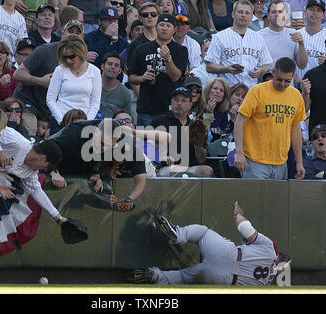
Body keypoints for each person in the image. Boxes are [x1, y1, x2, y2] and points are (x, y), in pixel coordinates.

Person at [128, 201, 289, 286]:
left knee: (203, 232)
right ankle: (156, 275)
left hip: (227, 253)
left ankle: (178, 234)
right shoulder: (264, 284)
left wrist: (238, 214)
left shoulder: (271, 250)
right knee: (182, 278)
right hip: (222, 278)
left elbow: (244, 228)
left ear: (279, 255)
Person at [234, 57, 306, 180]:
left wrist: (299, 162)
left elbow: (296, 131)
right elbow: (240, 122)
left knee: (276, 199)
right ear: (273, 72)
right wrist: (239, 153)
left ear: (293, 76)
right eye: (279, 79)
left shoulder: (296, 96)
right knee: (256, 199)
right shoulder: (257, 91)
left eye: (287, 81)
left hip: (280, 161)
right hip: (255, 160)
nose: (283, 84)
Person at [128, 13, 188, 126]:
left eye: (168, 25)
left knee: (174, 143)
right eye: (161, 25)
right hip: (147, 109)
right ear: (156, 27)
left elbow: (175, 77)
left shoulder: (181, 50)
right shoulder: (141, 49)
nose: (164, 28)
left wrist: (168, 59)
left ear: (174, 30)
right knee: (145, 143)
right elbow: (131, 78)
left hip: (171, 110)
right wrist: (142, 78)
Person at [204, 0, 273, 89]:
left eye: (247, 13)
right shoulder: (219, 37)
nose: (243, 15)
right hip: (228, 91)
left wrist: (260, 71)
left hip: (251, 91)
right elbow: (209, 67)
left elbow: (266, 64)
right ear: (233, 14)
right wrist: (227, 69)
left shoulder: (258, 38)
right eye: (240, 12)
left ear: (251, 17)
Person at [150, 87, 214, 177]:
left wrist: (197, 144)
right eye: (176, 100)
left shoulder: (195, 125)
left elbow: (201, 159)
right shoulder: (158, 122)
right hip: (165, 169)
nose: (179, 103)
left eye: (184, 101)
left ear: (190, 105)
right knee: (176, 170)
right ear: (171, 102)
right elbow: (146, 148)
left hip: (190, 168)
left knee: (207, 170)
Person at [46, 34, 102, 131]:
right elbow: (50, 99)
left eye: (71, 56)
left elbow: (95, 102)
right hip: (61, 122)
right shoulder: (60, 70)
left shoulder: (94, 71)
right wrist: (62, 121)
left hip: (85, 123)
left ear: (81, 52)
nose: (68, 61)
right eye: (65, 57)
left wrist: (86, 123)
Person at [113, 109, 171, 177]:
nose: (123, 123)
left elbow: (167, 137)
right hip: (134, 171)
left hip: (155, 171)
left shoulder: (145, 141)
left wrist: (133, 132)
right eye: (118, 121)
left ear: (133, 125)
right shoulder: (113, 144)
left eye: (127, 120)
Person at [258, 0, 308, 71]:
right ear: (268, 16)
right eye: (273, 12)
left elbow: (302, 65)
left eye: (280, 12)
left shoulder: (294, 35)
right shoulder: (259, 35)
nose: (277, 14)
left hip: (288, 81)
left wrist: (301, 44)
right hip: (266, 80)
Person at [293, 0, 326, 83]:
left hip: (321, 84)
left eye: (319, 10)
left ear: (323, 15)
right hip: (298, 84)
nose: (315, 13)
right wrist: (298, 81)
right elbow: (289, 62)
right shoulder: (295, 34)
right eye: (311, 9)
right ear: (305, 12)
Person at [100, 51, 132, 118]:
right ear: (102, 66)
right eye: (110, 64)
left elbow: (126, 119)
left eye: (116, 65)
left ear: (120, 70)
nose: (113, 67)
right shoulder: (91, 86)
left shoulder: (125, 93)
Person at [200, 77, 231, 142]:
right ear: (209, 90)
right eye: (215, 88)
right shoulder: (200, 105)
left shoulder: (223, 111)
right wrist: (208, 113)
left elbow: (225, 133)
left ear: (224, 95)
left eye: (221, 90)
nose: (218, 92)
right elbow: (203, 134)